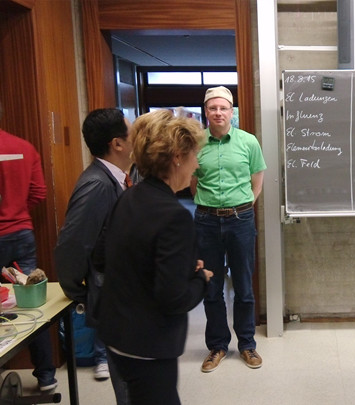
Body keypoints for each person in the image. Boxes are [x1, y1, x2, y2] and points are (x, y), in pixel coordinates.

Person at [96, 110, 213, 405]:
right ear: (177, 157)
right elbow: (174, 299)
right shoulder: (174, 216)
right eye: (194, 155)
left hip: (117, 333)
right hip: (146, 344)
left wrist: (178, 266)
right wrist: (201, 279)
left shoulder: (129, 196)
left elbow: (106, 256)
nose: (197, 164)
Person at [53, 108, 132, 403]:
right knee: (128, 381)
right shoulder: (97, 184)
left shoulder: (115, 178)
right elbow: (71, 246)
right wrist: (80, 293)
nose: (137, 136)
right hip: (110, 295)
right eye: (132, 131)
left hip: (120, 292)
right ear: (117, 144)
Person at [193, 86, 266, 372]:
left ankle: (247, 344)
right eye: (213, 108)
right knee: (211, 287)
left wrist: (243, 205)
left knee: (244, 286)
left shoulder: (248, 141)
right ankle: (217, 346)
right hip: (206, 222)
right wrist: (210, 206)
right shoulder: (196, 143)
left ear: (231, 111)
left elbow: (257, 178)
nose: (218, 113)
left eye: (223, 108)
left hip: (240, 220)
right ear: (206, 112)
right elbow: (192, 181)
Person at [0, 101, 57, 391]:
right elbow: (39, 192)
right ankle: (46, 376)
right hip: (21, 233)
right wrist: (17, 210)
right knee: (32, 304)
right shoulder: (24, 147)